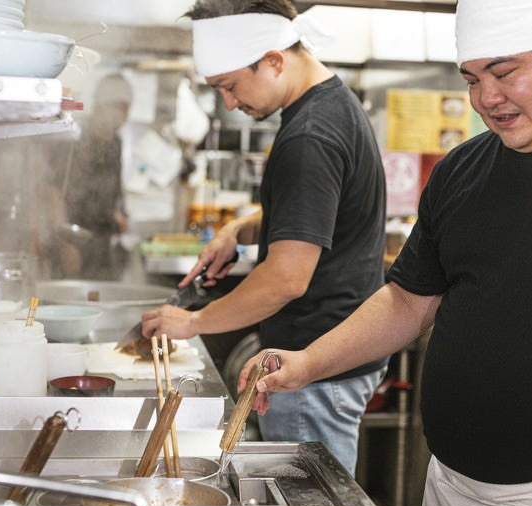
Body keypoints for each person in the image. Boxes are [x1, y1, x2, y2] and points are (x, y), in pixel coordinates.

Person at [237, 0, 532, 506]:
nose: (485, 99)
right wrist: (308, 363)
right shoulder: (463, 168)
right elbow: (408, 299)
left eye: (504, 73)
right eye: (472, 79)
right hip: (451, 492)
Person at [140, 0, 389, 475]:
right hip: (329, 356)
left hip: (309, 367)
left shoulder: (309, 137)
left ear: (274, 60)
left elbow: (285, 280)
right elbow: (311, 210)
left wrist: (193, 322)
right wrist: (239, 229)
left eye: (230, 87)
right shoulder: (331, 106)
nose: (230, 104)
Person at [60, 73, 131, 280]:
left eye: (126, 109)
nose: (122, 116)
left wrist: (117, 212)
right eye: (118, 108)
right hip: (73, 241)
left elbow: (109, 186)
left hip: (103, 243)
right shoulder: (76, 136)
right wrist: (66, 245)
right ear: (101, 105)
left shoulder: (116, 141)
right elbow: (51, 189)